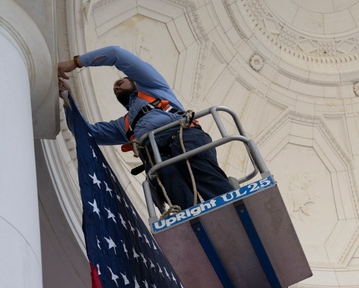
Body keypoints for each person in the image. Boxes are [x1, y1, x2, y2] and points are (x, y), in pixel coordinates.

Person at [57, 46, 235, 213]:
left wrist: (76, 62)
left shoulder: (154, 88)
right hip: (154, 155)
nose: (116, 87)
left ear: (134, 81)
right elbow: (87, 133)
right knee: (178, 198)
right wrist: (67, 99)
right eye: (114, 88)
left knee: (207, 179)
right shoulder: (124, 125)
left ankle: (234, 209)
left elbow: (116, 53)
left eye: (119, 82)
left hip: (183, 136)